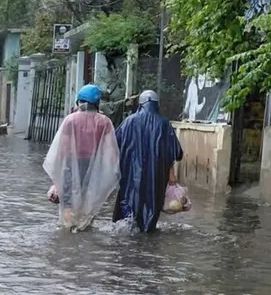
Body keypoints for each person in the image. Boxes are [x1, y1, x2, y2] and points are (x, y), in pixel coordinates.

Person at [43, 84, 121, 231]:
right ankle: (83, 233)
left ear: (79, 101)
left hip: (71, 167)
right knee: (88, 205)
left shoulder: (70, 120)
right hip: (94, 169)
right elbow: (111, 152)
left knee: (68, 204)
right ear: (97, 102)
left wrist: (56, 180)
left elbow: (61, 150)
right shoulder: (104, 121)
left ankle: (68, 234)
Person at [113, 90, 184, 232]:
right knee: (152, 206)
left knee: (129, 208)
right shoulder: (164, 124)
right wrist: (170, 172)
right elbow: (176, 152)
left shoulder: (129, 121)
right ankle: (148, 233)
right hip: (156, 177)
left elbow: (114, 144)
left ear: (140, 105)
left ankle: (129, 232)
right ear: (156, 105)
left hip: (131, 175)